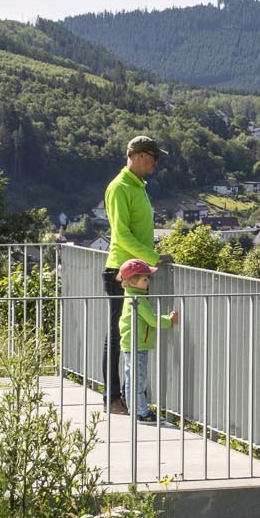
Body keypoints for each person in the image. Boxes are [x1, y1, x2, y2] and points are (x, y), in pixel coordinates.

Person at [102, 135, 165, 414]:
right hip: (121, 271)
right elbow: (121, 234)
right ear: (139, 156)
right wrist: (153, 258)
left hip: (137, 271)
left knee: (130, 334)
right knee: (118, 335)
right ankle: (112, 397)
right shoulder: (119, 188)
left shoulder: (138, 187)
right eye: (153, 157)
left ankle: (132, 396)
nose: (155, 163)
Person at [113, 258, 176, 422]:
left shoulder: (130, 296)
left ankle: (134, 409)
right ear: (132, 281)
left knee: (131, 378)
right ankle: (142, 412)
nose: (148, 282)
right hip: (138, 344)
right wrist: (169, 320)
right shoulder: (139, 300)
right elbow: (152, 319)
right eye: (145, 279)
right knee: (138, 381)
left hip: (130, 343)